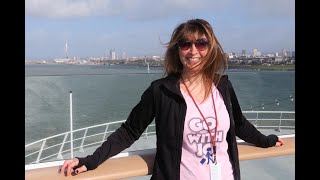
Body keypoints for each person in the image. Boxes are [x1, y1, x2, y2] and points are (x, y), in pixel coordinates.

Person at [60, 18, 284, 180]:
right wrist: (90, 160)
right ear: (177, 50)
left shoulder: (222, 86)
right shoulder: (161, 90)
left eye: (201, 43)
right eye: (185, 44)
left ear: (211, 48)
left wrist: (267, 140)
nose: (193, 50)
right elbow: (129, 131)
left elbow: (239, 124)